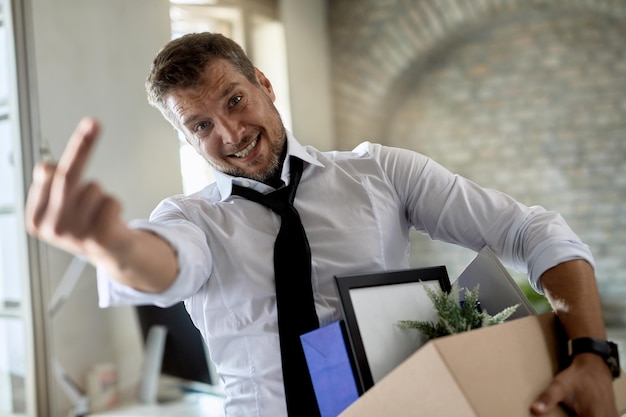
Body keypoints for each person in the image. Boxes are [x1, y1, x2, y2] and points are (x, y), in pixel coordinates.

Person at [25, 32, 618, 417]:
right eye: (200, 126)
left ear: (264, 82)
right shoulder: (192, 220)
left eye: (233, 100)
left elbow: (535, 233)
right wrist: (111, 245)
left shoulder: (380, 172)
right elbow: (162, 264)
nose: (229, 135)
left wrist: (591, 353)